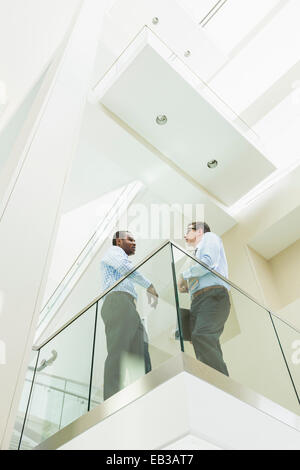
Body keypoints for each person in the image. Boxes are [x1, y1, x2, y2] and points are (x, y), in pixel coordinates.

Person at [100, 231, 158, 400]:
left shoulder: (120, 255)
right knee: (118, 350)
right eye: (130, 239)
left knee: (141, 351)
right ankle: (111, 399)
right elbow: (125, 268)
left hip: (128, 306)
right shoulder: (114, 252)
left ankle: (144, 395)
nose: (134, 243)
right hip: (117, 301)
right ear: (118, 241)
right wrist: (149, 285)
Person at [178, 221, 230, 376]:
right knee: (200, 341)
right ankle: (215, 381)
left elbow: (208, 262)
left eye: (188, 231)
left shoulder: (209, 237)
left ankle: (221, 384)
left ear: (199, 231)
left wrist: (185, 275)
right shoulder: (194, 254)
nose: (185, 235)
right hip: (198, 301)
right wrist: (186, 283)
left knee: (202, 335)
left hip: (213, 295)